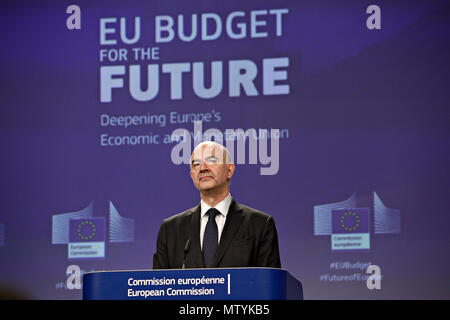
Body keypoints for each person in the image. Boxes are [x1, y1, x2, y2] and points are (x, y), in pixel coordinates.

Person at [153, 141, 281, 269]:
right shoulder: (170, 229)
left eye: (212, 160)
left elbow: (270, 284)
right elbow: (158, 285)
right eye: (196, 164)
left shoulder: (260, 225)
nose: (203, 168)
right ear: (192, 175)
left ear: (229, 170)